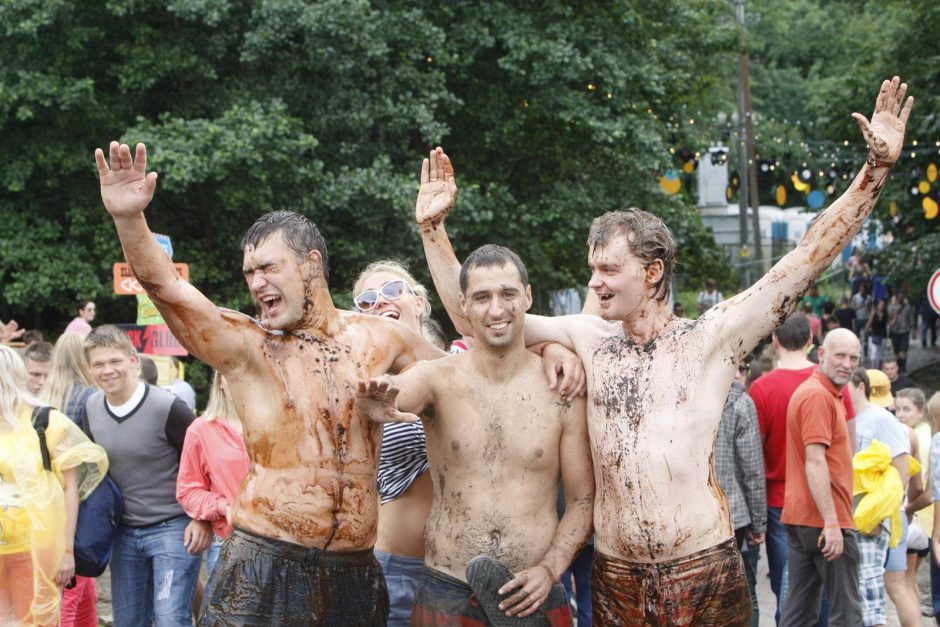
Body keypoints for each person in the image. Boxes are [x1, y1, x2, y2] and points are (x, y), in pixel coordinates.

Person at [416, 77, 911, 623]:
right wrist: (434, 230)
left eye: (608, 269)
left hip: (703, 569)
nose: (595, 282)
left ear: (651, 272)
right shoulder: (589, 337)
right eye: (592, 269)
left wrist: (875, 174)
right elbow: (480, 315)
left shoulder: (712, 339)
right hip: (616, 576)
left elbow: (809, 256)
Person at [95, 140, 452, 625]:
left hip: (355, 571)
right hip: (262, 562)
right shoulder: (249, 348)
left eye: (268, 267)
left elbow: (458, 378)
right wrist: (129, 220)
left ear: (312, 264)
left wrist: (557, 349)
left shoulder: (381, 338)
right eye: (249, 273)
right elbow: (168, 289)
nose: (257, 282)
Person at [357, 244, 594, 625]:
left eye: (508, 294)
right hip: (447, 589)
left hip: (533, 589)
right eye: (482, 297)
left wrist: (550, 569)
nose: (497, 309)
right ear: (463, 305)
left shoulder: (561, 390)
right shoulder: (439, 378)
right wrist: (380, 397)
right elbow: (402, 387)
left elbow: (583, 500)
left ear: (528, 296)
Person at [81, 325, 208, 627]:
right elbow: (91, 472)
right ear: (89, 369)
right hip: (123, 532)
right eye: (98, 364)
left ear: (133, 361)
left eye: (115, 361)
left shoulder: (167, 407)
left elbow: (205, 462)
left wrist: (201, 518)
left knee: (169, 618)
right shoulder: (90, 408)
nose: (107, 370)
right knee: (128, 621)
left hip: (173, 526)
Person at [0, 345, 108, 625]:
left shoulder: (45, 422)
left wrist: (67, 551)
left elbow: (70, 489)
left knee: (34, 620)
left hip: (33, 548)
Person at [778, 329, 862, 626]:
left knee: (799, 613)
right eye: (840, 355)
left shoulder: (824, 392)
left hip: (804, 518)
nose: (848, 364)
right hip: (825, 520)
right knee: (847, 614)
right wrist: (832, 522)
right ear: (822, 354)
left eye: (854, 358)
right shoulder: (817, 395)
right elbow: (815, 462)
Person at [39, 331, 101, 626]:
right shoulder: (90, 398)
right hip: (81, 498)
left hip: (45, 500)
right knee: (72, 584)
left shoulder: (39, 399)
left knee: (71, 583)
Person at [847, 368, 911, 627]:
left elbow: (902, 470)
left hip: (872, 519)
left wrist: (879, 516)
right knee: (852, 588)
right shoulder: (844, 416)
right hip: (847, 515)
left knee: (870, 587)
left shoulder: (881, 419)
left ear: (860, 387)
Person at [176, 370, 250, 575]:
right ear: (220, 381)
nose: (240, 379)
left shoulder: (278, 426)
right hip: (228, 542)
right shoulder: (201, 430)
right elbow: (188, 491)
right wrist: (222, 507)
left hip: (278, 546)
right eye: (230, 372)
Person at [714, 379, 766, 627]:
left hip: (690, 515)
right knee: (743, 594)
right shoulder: (740, 403)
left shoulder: (682, 397)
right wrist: (759, 522)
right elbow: (752, 469)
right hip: (733, 513)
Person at [888, 291, 913, 372]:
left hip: (905, 331)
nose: (900, 297)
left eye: (902, 296)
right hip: (894, 331)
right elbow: (889, 319)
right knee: (896, 352)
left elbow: (911, 318)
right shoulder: (891, 306)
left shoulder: (908, 306)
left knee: (903, 351)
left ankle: (903, 367)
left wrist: (913, 329)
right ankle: (898, 367)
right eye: (899, 296)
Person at [865, 299, 888, 368]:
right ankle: (873, 368)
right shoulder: (874, 313)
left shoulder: (886, 314)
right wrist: (865, 331)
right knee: (874, 352)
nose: (882, 306)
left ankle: (879, 368)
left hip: (882, 335)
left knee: (881, 353)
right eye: (880, 304)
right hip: (873, 334)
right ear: (877, 305)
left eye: (883, 304)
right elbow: (869, 323)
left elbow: (888, 323)